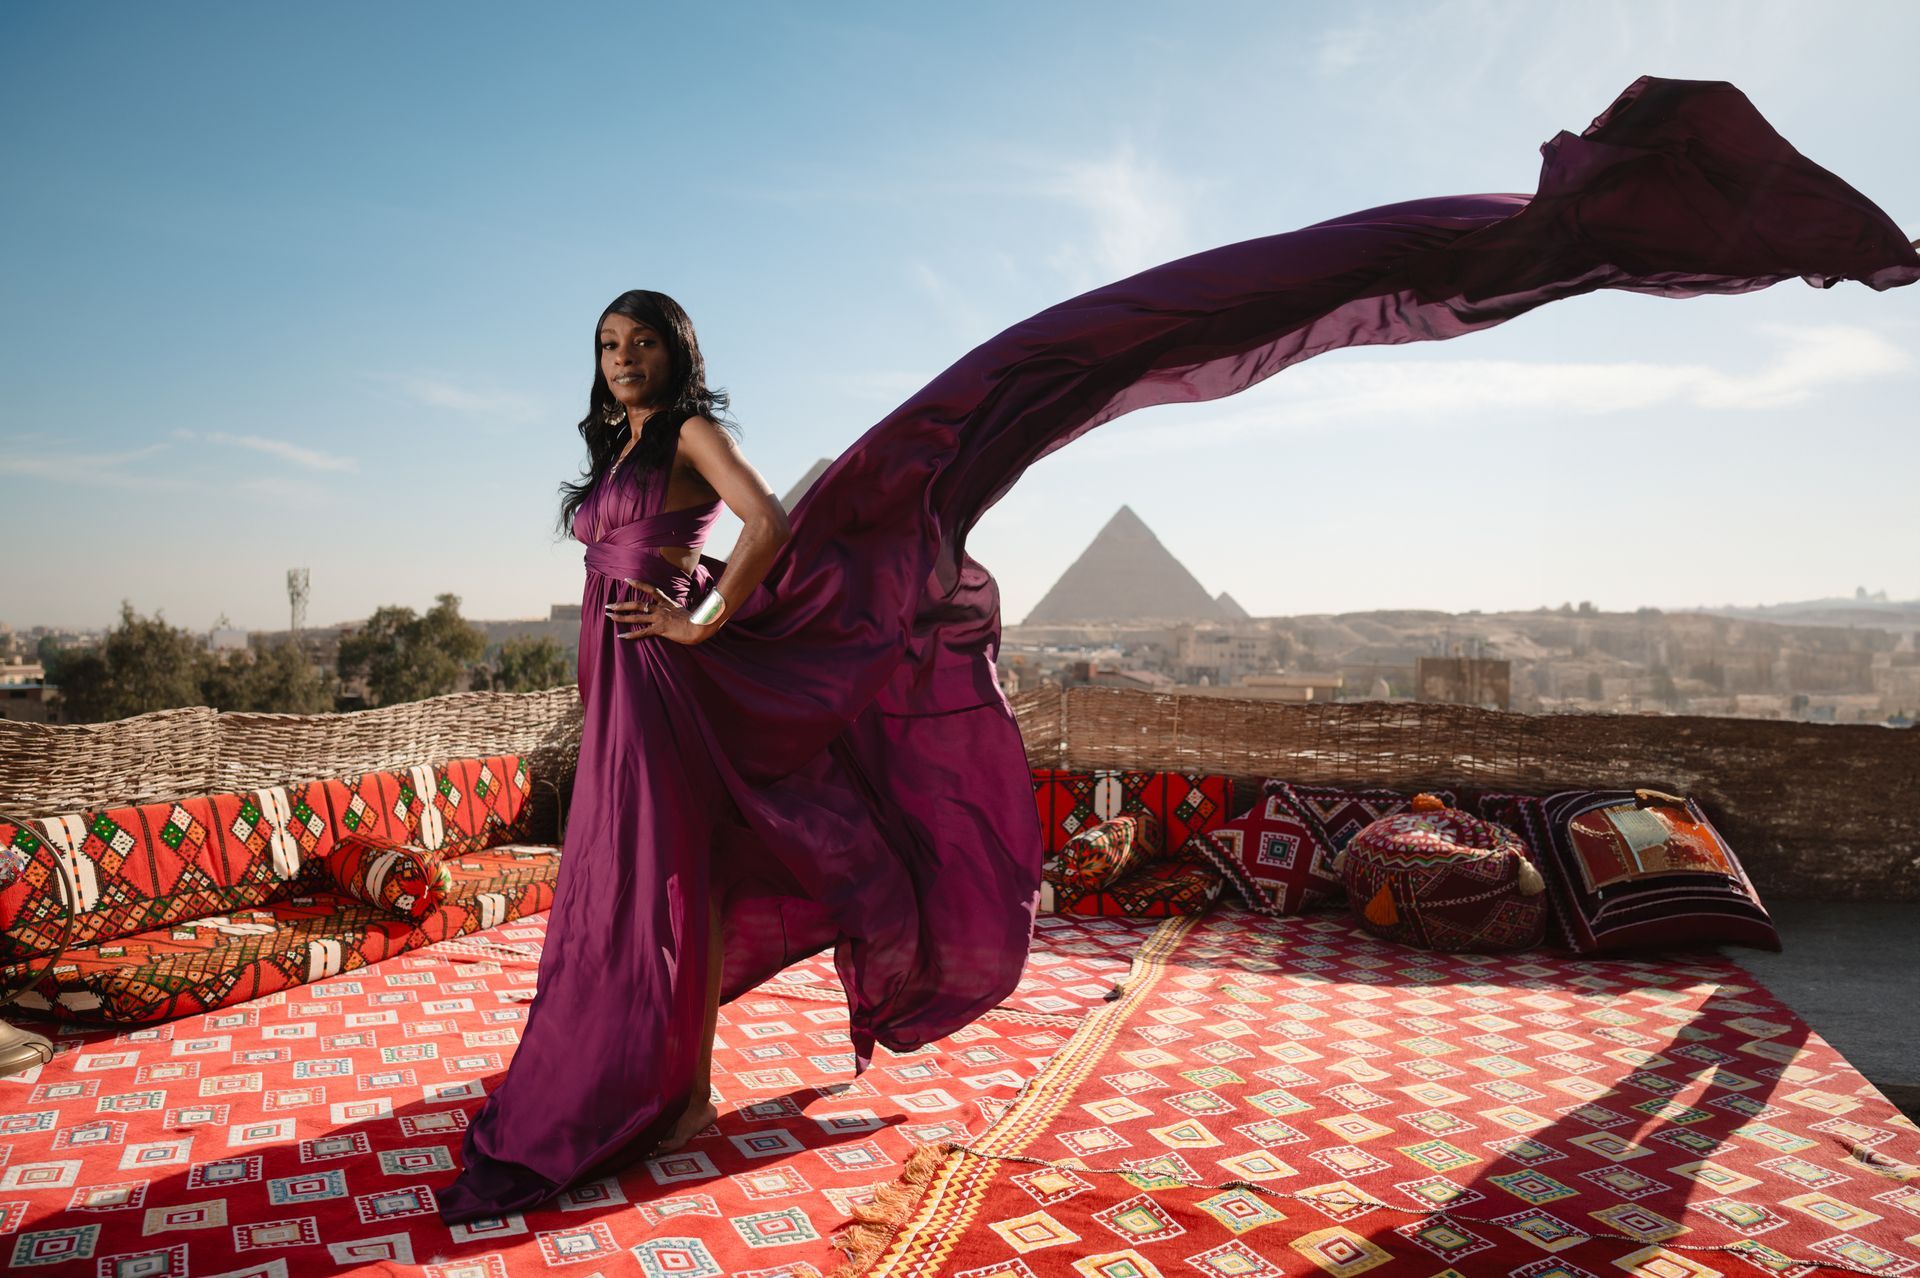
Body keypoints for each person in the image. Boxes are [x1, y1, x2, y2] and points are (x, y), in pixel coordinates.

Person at [438, 75, 1917, 1226]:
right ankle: (667, 1081)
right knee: (640, 886)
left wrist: (699, 618)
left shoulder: (693, 434)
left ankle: (669, 1088)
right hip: (619, 688)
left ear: (678, 353)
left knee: (668, 881)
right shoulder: (617, 441)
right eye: (609, 346)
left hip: (679, 671)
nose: (622, 359)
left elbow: (756, 523)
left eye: (641, 342)